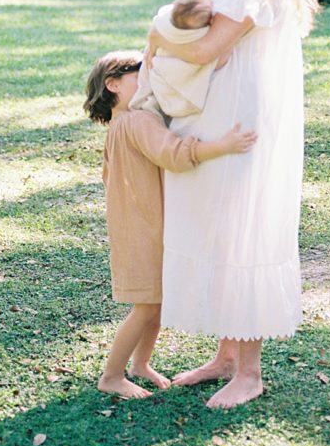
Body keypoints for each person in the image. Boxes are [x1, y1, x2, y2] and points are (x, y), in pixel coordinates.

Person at [146, 0, 319, 409]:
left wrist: (153, 36)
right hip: (216, 112)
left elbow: (207, 47)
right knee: (221, 225)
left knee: (243, 227)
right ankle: (225, 355)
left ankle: (249, 370)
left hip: (245, 118)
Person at [83, 50, 257, 399]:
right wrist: (223, 145)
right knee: (146, 306)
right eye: (141, 74)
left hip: (134, 226)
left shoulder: (118, 127)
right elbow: (175, 154)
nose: (149, 80)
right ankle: (112, 376)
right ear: (113, 84)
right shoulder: (138, 121)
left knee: (155, 301)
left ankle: (139, 365)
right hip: (147, 230)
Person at [130, 0, 218, 119]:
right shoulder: (202, 34)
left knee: (153, 67)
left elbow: (159, 23)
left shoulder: (164, 24)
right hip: (179, 85)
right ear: (211, 20)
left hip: (167, 81)